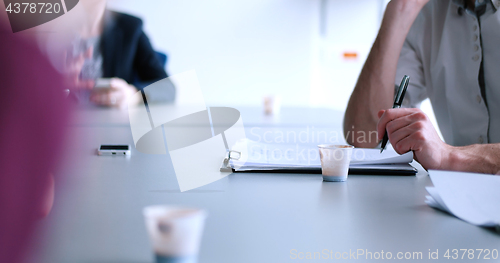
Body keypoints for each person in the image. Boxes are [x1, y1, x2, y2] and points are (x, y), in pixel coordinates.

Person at [344, 0, 500, 174]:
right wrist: (401, 8)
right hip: (455, 193)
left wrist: (449, 156)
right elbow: (363, 135)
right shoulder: (427, 13)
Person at [77, 0, 175, 108]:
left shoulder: (129, 27)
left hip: (107, 122)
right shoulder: (55, 30)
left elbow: (167, 87)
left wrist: (132, 94)